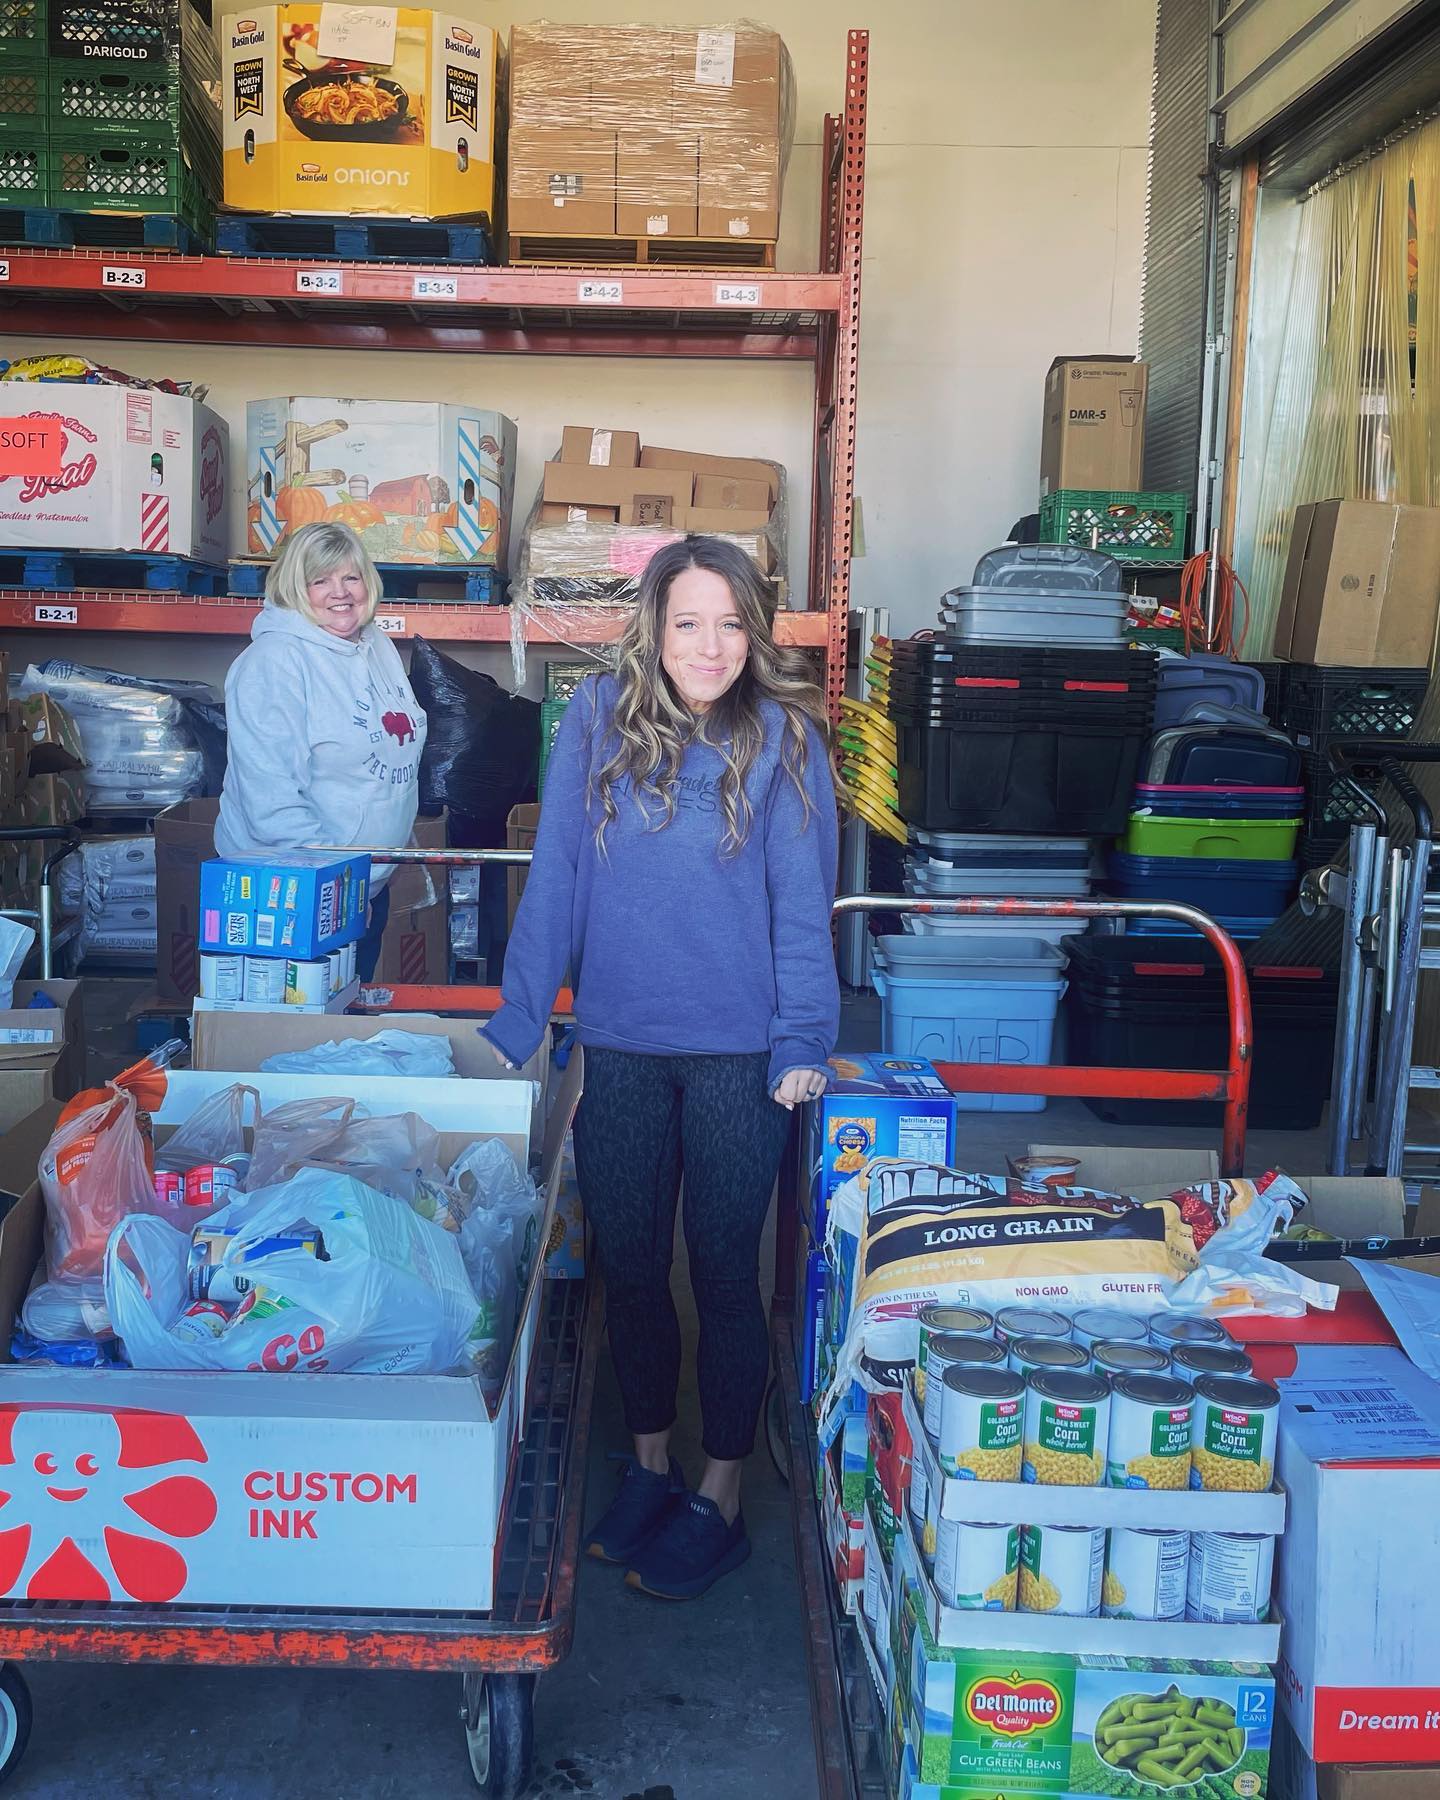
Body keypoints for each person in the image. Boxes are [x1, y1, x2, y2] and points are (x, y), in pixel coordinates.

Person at [483, 535, 841, 1601]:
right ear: (655, 627)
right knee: (631, 1271)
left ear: (754, 634)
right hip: (620, 1045)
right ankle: (650, 1468)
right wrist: (521, 1018)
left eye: (731, 624)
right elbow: (554, 874)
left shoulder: (784, 739)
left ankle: (720, 1497)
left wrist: (803, 1040)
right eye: (689, 622)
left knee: (725, 1275)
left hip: (739, 1057)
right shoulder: (596, 718)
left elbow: (802, 904)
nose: (710, 646)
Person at [216, 521, 427, 981]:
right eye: (320, 581)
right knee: (296, 1022)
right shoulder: (274, 663)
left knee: (344, 1016)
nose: (341, 592)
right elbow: (271, 802)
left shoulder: (375, 644)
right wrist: (338, 894)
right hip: (291, 893)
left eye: (351, 577)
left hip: (363, 881)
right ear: (296, 588)